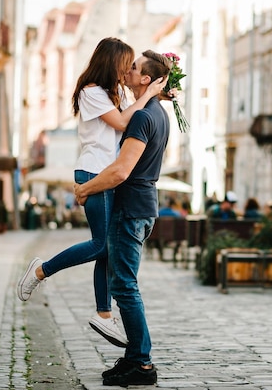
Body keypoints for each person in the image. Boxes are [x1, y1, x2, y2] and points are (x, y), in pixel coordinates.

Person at [17, 37, 166, 349]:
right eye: (126, 63)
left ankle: (103, 313)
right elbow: (125, 121)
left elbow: (138, 112)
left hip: (107, 175)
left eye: (132, 66)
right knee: (102, 244)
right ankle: (42, 270)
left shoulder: (117, 93)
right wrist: (149, 93)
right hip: (94, 171)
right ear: (112, 62)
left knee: (109, 247)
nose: (128, 70)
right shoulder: (92, 92)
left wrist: (158, 94)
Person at [73, 49, 171, 387]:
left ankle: (141, 363)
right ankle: (133, 358)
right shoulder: (158, 114)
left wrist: (86, 189)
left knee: (125, 286)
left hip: (130, 208)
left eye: (134, 68)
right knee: (124, 282)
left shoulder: (142, 118)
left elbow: (120, 170)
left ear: (146, 79)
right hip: (144, 207)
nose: (127, 71)